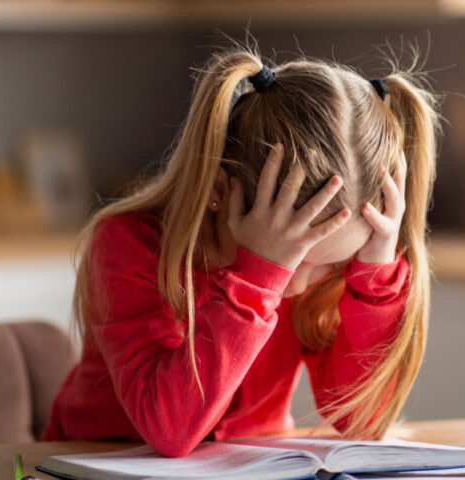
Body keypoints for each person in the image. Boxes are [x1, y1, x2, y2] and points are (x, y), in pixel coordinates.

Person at [41, 43, 440, 458]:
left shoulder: (330, 269)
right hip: (89, 462)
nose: (296, 285)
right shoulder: (128, 244)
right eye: (289, 259)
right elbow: (169, 431)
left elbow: (363, 421)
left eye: (333, 264)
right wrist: (257, 277)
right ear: (218, 190)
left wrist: (375, 278)